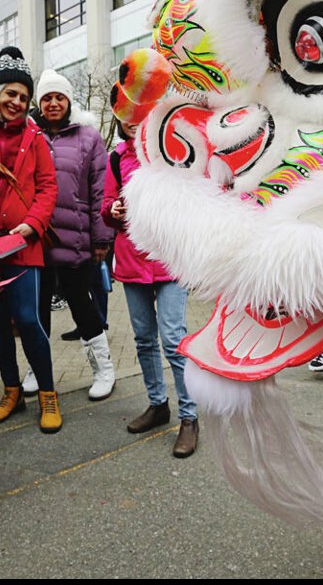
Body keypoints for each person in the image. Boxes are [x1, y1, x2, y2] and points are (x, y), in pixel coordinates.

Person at [0, 46, 61, 433]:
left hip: (24, 243)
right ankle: (11, 391)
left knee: (28, 318)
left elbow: (48, 186)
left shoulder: (35, 136)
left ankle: (48, 395)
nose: (17, 102)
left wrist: (33, 225)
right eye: (11, 94)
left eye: (23, 96)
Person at [101, 119, 198, 457]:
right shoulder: (116, 158)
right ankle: (158, 405)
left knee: (173, 340)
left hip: (169, 262)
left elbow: (193, 200)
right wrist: (113, 210)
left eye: (138, 113)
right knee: (143, 338)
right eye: (124, 114)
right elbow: (106, 207)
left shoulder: (171, 152)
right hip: (131, 262)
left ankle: (189, 417)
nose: (131, 120)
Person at [33, 68, 117, 401]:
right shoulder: (31, 135)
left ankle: (104, 368)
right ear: (40, 103)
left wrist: (101, 239)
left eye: (59, 97)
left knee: (82, 305)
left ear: (69, 101)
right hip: (36, 240)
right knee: (36, 311)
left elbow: (99, 189)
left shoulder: (89, 137)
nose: (53, 103)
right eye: (47, 98)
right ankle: (36, 370)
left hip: (77, 240)